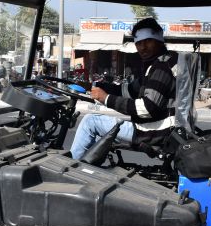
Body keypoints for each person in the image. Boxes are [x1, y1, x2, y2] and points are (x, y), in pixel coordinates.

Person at [70, 17, 176, 160]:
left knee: (90, 121)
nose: (143, 47)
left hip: (152, 132)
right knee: (98, 136)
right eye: (138, 43)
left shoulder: (162, 67)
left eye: (148, 41)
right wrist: (93, 86)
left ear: (159, 40)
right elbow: (128, 90)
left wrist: (106, 99)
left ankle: (73, 169)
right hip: (155, 130)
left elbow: (147, 108)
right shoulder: (157, 65)